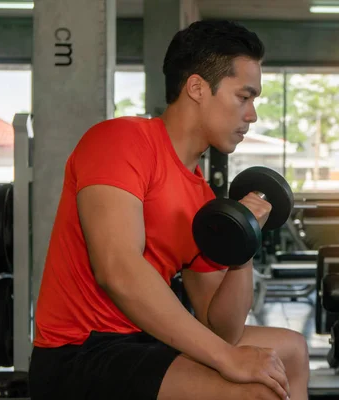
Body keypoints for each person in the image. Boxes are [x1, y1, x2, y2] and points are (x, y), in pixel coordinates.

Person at [28, 20, 309, 400]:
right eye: (244, 97)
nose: (252, 115)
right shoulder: (122, 141)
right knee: (256, 393)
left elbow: (223, 328)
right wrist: (228, 359)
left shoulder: (203, 197)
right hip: (81, 353)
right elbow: (117, 269)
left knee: (291, 350)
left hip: (144, 340)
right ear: (196, 87)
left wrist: (245, 240)